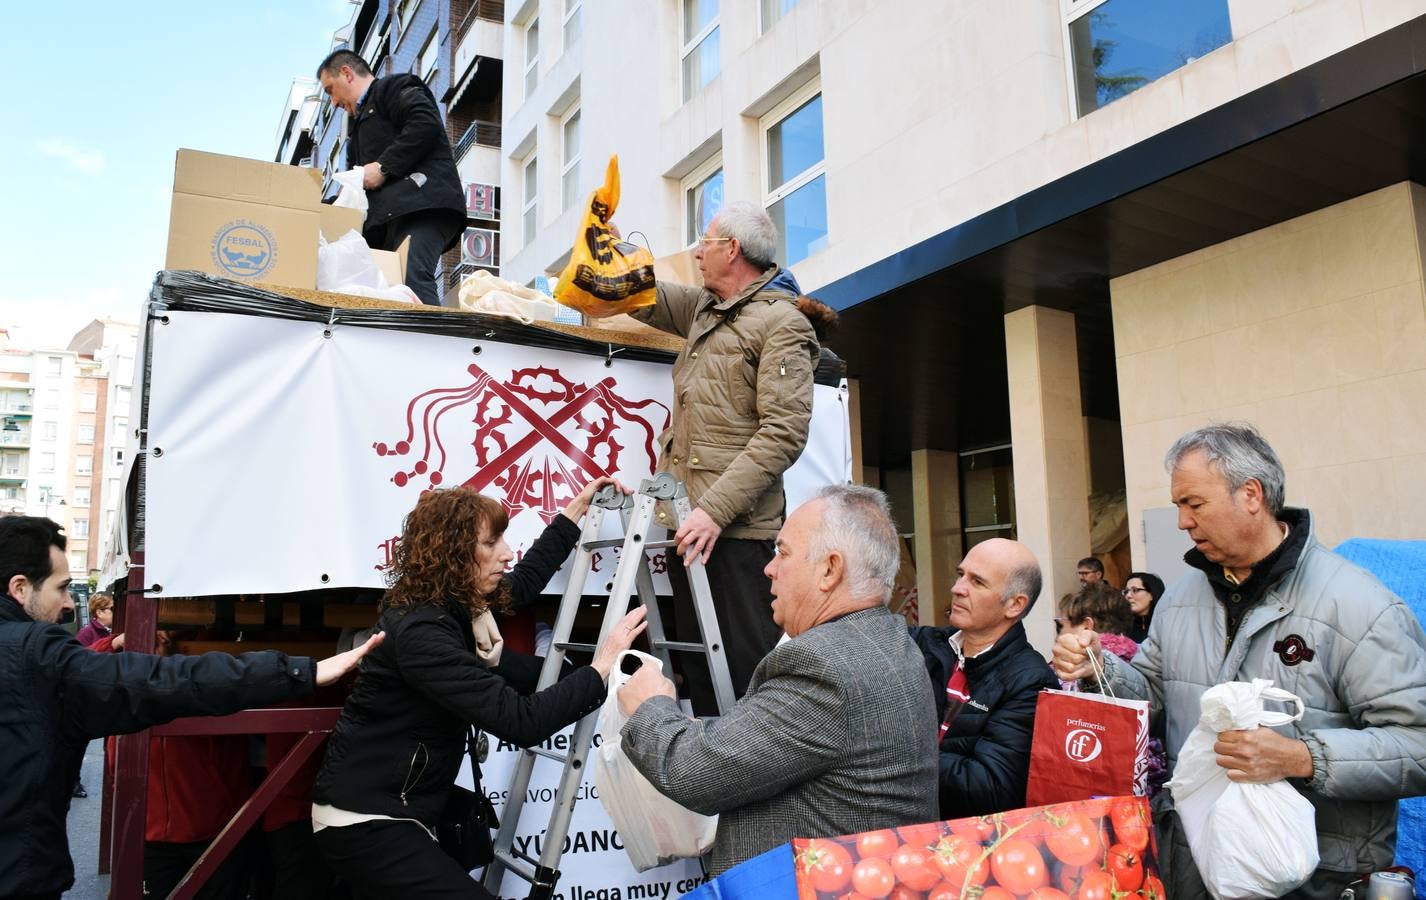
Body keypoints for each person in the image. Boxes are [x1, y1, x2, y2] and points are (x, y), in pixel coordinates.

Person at [1052, 423, 1426, 900]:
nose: (1183, 522)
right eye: (1178, 507)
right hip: (1198, 862)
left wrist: (1303, 757)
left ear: (1251, 494)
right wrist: (1099, 665)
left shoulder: (1360, 606)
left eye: (1194, 504)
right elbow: (1153, 691)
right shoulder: (1182, 597)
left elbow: (1417, 742)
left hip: (1314, 877)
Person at [0, 516, 381, 900]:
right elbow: (163, 681)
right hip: (49, 864)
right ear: (19, 588)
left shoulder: (35, 657)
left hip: (207, 819)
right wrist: (302, 671)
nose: (68, 604)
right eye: (62, 588)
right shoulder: (33, 654)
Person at [311, 479, 648, 900]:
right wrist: (601, 666)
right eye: (493, 542)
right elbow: (521, 721)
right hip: (366, 821)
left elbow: (521, 586)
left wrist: (573, 513)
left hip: (403, 809)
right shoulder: (422, 632)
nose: (507, 553)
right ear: (454, 556)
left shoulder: (455, 606)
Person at [615, 485, 939, 874]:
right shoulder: (885, 639)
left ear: (830, 570)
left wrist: (650, 705)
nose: (769, 569)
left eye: (782, 553)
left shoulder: (823, 666)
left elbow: (691, 773)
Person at [630, 200, 833, 713]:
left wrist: (715, 510)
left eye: (706, 243)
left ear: (733, 250)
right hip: (690, 527)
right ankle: (708, 789)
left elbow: (784, 432)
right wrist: (610, 245)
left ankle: (756, 791)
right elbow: (638, 297)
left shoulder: (781, 324)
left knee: (747, 682)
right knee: (701, 680)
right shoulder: (705, 308)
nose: (696, 253)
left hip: (738, 536)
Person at [95, 630, 254, 900]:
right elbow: (71, 671)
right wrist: (112, 643)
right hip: (148, 835)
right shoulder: (121, 685)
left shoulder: (205, 680)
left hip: (212, 831)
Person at [909, 538, 1059, 820]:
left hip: (962, 847)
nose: (957, 588)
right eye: (960, 574)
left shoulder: (1031, 681)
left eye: (977, 582)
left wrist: (894, 756)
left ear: (1015, 605)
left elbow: (991, 785)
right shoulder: (921, 644)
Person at [315, 50, 465, 307]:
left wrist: (383, 167)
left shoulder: (393, 87)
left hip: (424, 206)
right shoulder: (356, 135)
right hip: (390, 219)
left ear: (347, 74)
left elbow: (425, 124)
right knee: (386, 287)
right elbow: (358, 184)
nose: (334, 103)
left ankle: (438, 345)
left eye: (330, 90)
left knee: (412, 277)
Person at [1054, 582, 1169, 796]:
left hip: (1092, 791)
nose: (1059, 632)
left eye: (1061, 624)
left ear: (1087, 626)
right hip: (1150, 788)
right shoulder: (1146, 659)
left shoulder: (1072, 672)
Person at [1122, 570, 1165, 644]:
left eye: (1135, 590)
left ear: (1151, 595)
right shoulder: (1120, 627)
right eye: (1126, 591)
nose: (1128, 595)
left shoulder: (1164, 624)